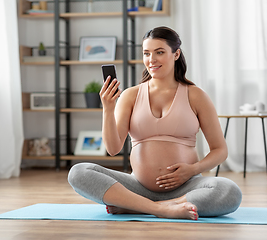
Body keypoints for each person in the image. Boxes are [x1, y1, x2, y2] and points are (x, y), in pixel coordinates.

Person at [68, 26, 242, 220]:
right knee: (79, 172)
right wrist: (108, 109)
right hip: (137, 188)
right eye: (146, 53)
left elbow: (220, 150)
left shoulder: (196, 95)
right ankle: (160, 209)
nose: (152, 60)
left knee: (229, 191)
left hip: (186, 188)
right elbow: (113, 148)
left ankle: (141, 207)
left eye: (159, 52)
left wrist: (192, 170)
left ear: (176, 54)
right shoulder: (130, 95)